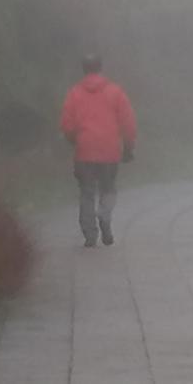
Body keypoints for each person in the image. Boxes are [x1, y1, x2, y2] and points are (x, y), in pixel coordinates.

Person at [60, 54, 137, 247]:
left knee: (86, 192)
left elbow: (67, 124)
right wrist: (128, 147)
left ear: (83, 69)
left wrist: (75, 140)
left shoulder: (74, 93)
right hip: (109, 150)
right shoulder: (116, 92)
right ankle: (104, 216)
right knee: (108, 188)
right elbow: (128, 122)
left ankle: (89, 235)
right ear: (101, 68)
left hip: (84, 150)